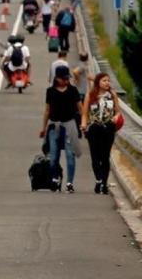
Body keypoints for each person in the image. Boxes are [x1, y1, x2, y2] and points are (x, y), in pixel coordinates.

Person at [41, 65, 83, 193]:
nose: (66, 81)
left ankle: (69, 182)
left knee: (70, 155)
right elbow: (47, 110)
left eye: (67, 78)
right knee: (54, 155)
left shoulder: (73, 90)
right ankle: (54, 179)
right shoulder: (50, 91)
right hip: (54, 125)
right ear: (57, 78)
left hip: (69, 125)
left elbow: (80, 108)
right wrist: (43, 128)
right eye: (63, 79)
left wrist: (84, 123)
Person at [81, 73, 121, 195]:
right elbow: (85, 113)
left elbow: (118, 112)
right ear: (98, 82)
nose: (107, 83)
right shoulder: (91, 95)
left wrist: (115, 117)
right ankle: (98, 179)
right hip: (94, 128)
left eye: (108, 81)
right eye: (104, 80)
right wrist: (84, 125)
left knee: (105, 157)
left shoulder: (112, 95)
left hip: (108, 128)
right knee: (95, 156)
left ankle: (104, 182)